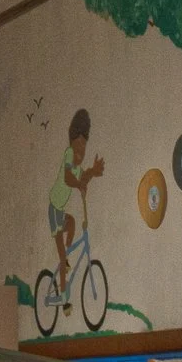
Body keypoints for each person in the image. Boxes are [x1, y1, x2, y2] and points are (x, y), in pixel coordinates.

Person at [49, 108, 104, 283]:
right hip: (54, 208)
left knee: (72, 223)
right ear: (72, 144)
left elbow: (83, 177)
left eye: (84, 147)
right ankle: (64, 298)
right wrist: (79, 184)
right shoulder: (68, 154)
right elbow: (68, 178)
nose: (81, 151)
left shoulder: (77, 168)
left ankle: (67, 252)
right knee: (62, 259)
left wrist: (93, 172)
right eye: (78, 145)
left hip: (61, 210)